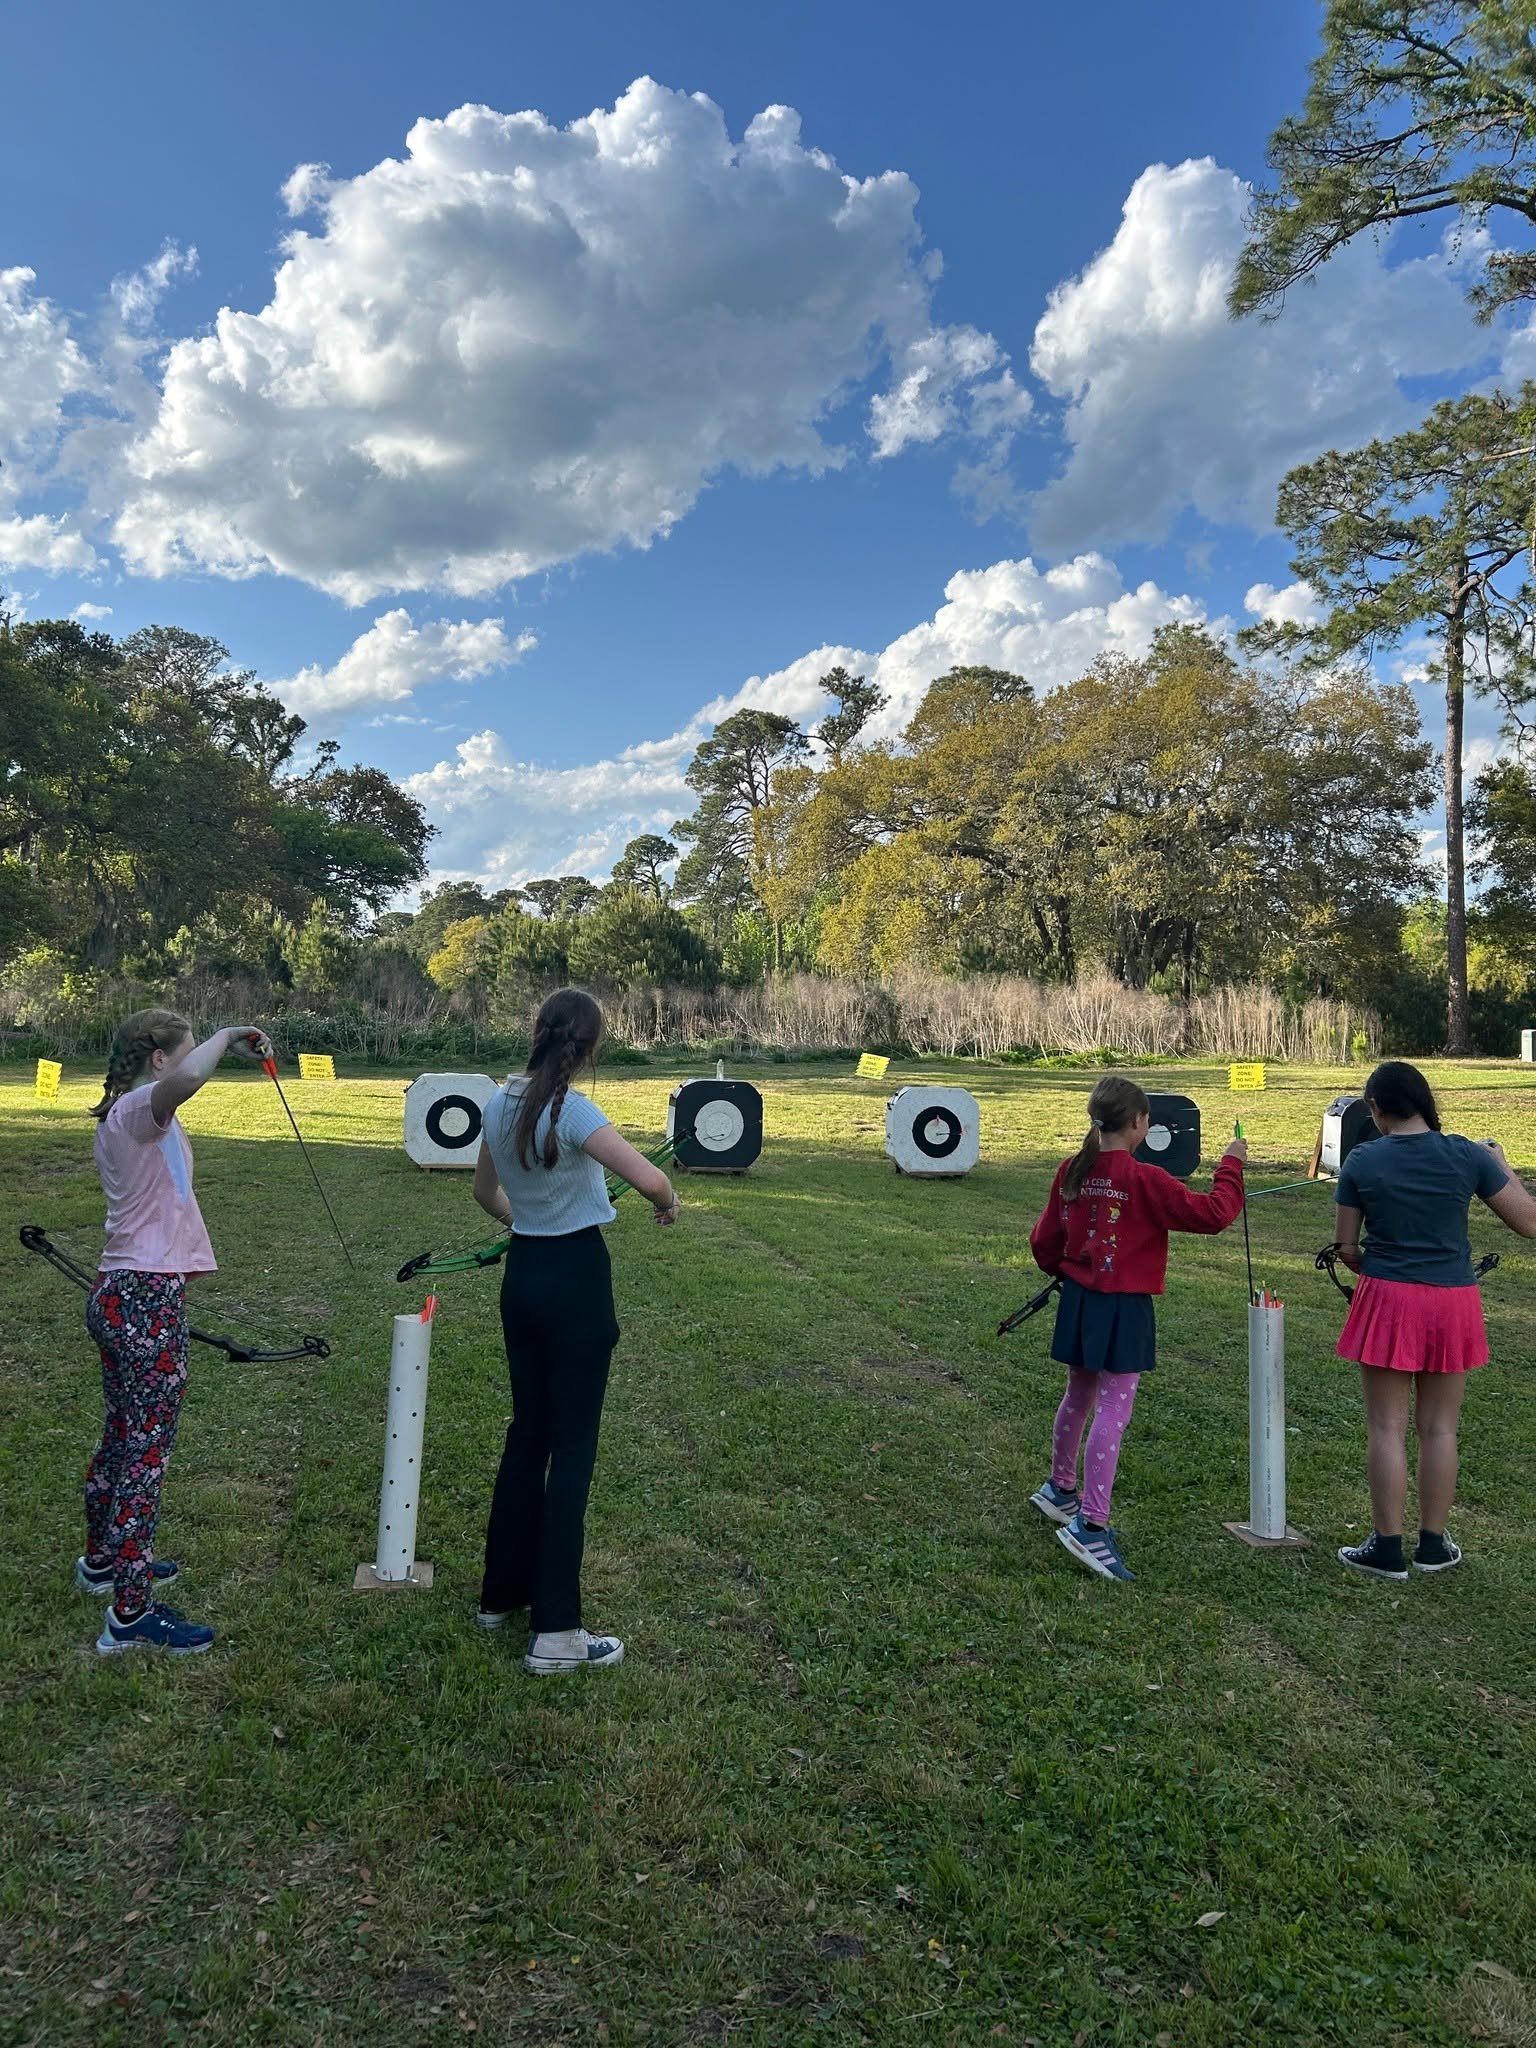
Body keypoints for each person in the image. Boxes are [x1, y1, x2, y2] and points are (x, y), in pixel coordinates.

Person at [471, 987, 679, 1675]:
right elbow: (648, 1178)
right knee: (574, 1448)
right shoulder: (573, 1108)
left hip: (524, 1278)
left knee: (527, 1434)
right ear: (587, 1049)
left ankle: (500, 1595)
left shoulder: (499, 1103)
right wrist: (668, 1203)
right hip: (577, 1281)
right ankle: (557, 1631)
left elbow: (483, 1193)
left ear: (535, 1031)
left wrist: (522, 1220)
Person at [83, 1011, 272, 1655]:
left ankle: (105, 1560)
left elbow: (190, 1078)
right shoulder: (140, 1108)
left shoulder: (130, 1110)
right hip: (142, 1299)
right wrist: (226, 1035)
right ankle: (130, 1615)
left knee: (122, 1436)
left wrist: (225, 1050)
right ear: (159, 1060)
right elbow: (189, 1078)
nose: (195, 1059)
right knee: (145, 1456)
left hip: (122, 1295)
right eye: (186, 1050)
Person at [1026, 1076, 1247, 1582]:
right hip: (1122, 1308)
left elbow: (1044, 1240)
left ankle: (1061, 1488)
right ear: (1139, 1124)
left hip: (1080, 1302)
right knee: (1113, 1410)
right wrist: (1231, 1163)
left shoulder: (1073, 1170)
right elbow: (1215, 1214)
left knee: (1078, 1394)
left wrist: (1067, 1270)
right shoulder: (1145, 1179)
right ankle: (1091, 1523)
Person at [1330, 1060, 1536, 1581]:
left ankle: (1386, 1547)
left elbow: (1347, 1246)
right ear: (1423, 1101)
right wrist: (1503, 1165)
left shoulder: (1361, 1160)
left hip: (1389, 1299)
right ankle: (1433, 1546)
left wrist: (1362, 1258)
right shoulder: (1468, 1154)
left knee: (1386, 1427)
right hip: (1453, 1301)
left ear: (1376, 1109)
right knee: (1440, 1428)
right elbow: (1528, 1224)